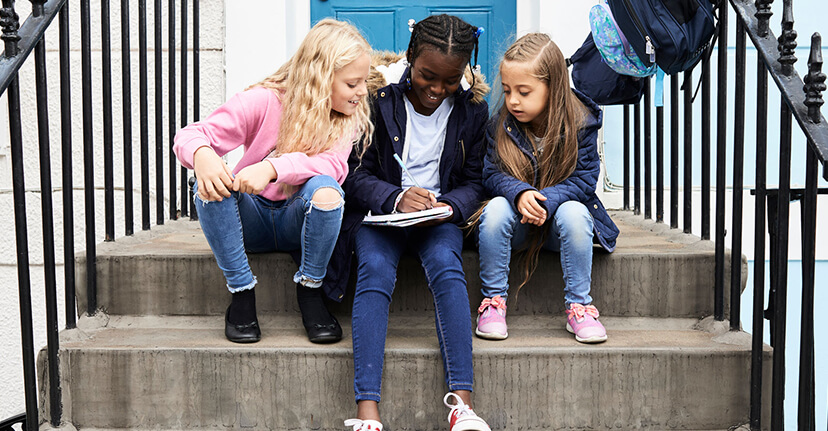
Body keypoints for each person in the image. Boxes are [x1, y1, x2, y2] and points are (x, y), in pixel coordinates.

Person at [172, 19, 373, 344]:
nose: (362, 92)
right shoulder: (264, 101)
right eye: (353, 84)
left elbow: (332, 165)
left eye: (363, 81)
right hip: (252, 219)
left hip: (300, 221)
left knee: (327, 191)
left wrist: (272, 168)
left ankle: (310, 291)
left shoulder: (345, 118)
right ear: (321, 79)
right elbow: (192, 134)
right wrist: (203, 155)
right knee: (206, 187)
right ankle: (241, 293)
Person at [339, 14, 491, 431]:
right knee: (374, 271)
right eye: (427, 76)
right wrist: (396, 196)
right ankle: (367, 409)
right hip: (381, 217)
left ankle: (462, 405)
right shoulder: (376, 97)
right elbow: (352, 173)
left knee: (448, 266)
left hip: (437, 216)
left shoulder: (473, 108)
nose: (437, 89)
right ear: (409, 59)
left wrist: (449, 207)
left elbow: (475, 180)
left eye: (450, 80)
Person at [474, 33, 620, 343]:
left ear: (552, 87)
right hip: (517, 229)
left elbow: (584, 178)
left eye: (524, 92)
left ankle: (580, 306)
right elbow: (490, 173)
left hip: (558, 231)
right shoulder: (500, 125)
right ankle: (493, 303)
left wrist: (547, 200)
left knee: (575, 213)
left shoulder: (581, 122)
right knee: (496, 207)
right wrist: (519, 193)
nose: (512, 100)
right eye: (507, 90)